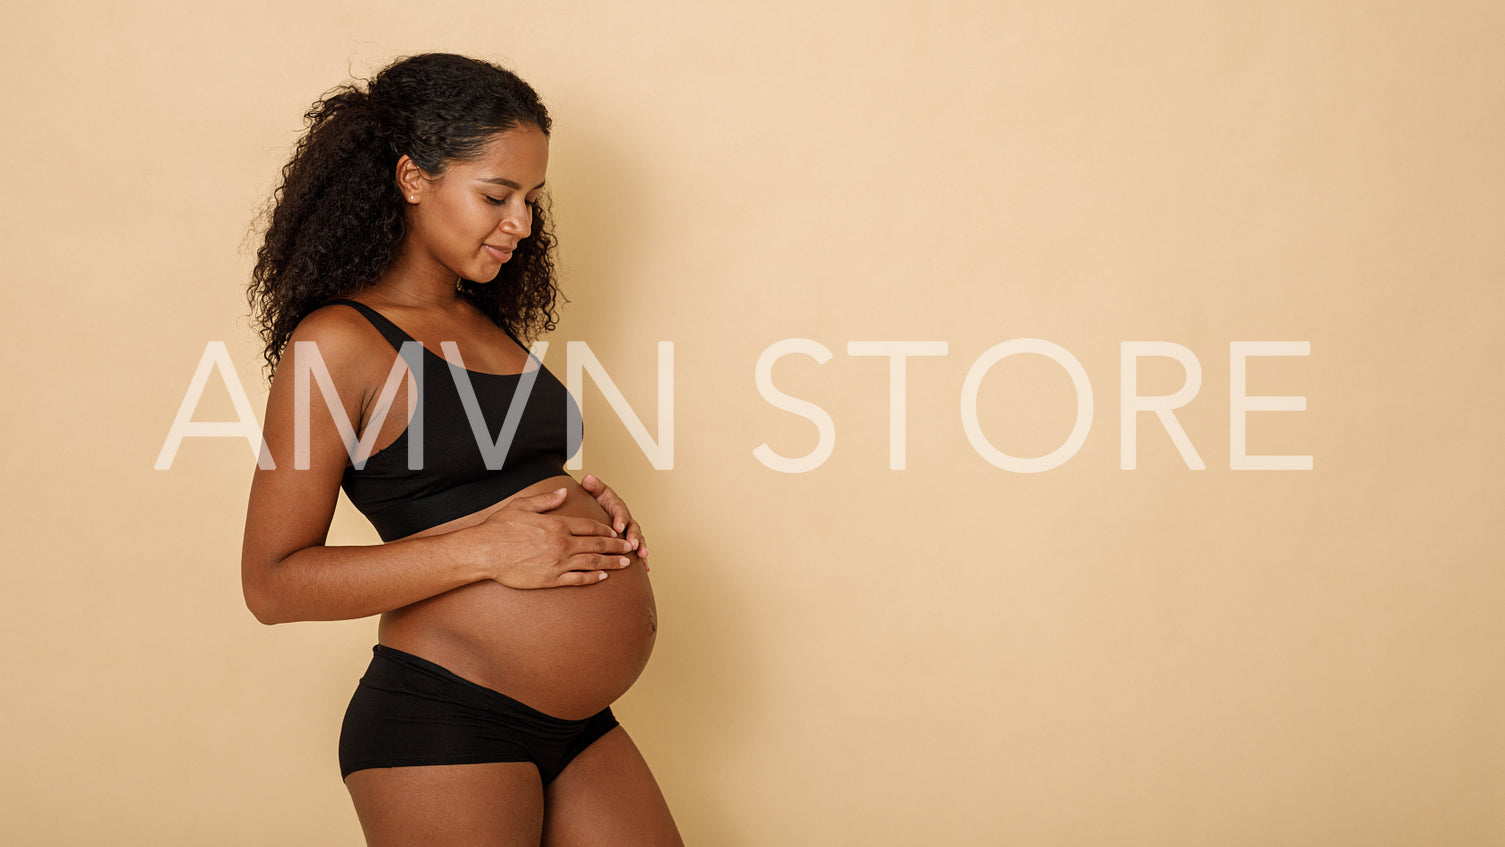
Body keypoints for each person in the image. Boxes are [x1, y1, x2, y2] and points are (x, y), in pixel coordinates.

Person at [241, 52, 683, 846]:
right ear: (413, 178)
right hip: (446, 723)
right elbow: (273, 584)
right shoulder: (336, 342)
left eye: (531, 200)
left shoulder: (485, 322)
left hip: (579, 725)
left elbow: (474, 477)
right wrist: (490, 548)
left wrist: (579, 508)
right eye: (496, 195)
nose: (521, 223)